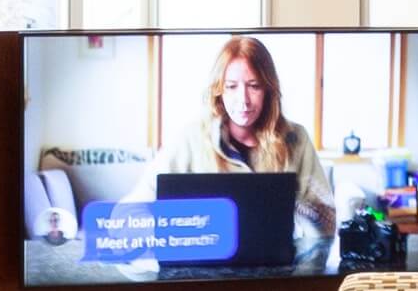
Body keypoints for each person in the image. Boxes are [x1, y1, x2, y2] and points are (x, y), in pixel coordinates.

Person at [129, 35, 336, 247]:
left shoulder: (296, 139)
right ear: (219, 90)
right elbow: (131, 213)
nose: (243, 100)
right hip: (202, 270)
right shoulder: (189, 138)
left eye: (254, 86)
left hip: (276, 269)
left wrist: (297, 206)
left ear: (268, 89)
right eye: (231, 86)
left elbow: (327, 227)